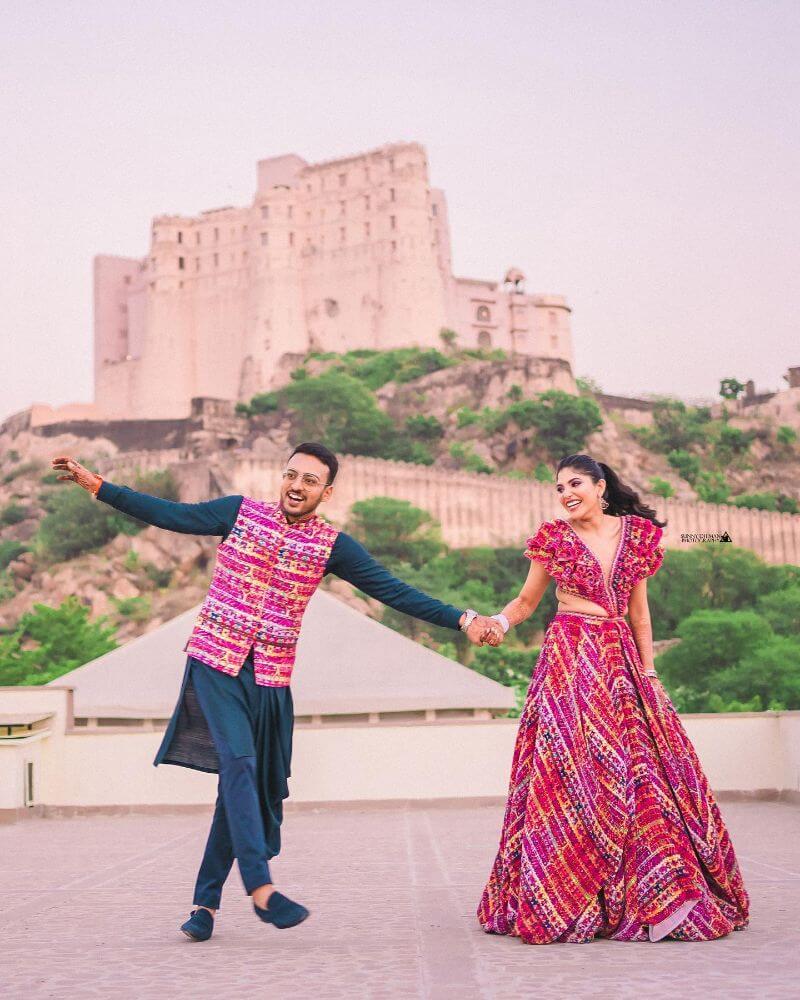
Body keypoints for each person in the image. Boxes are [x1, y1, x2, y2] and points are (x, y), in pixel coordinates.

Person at [52, 444, 500, 941]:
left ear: (325, 493)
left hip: (270, 678)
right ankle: (261, 889)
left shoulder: (333, 546)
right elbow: (169, 514)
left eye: (310, 481)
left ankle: (204, 904)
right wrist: (97, 484)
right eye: (292, 475)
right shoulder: (239, 512)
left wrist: (463, 619)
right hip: (215, 661)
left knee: (240, 786)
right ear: (280, 477)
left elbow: (395, 592)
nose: (297, 485)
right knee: (239, 764)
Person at [476, 453, 749, 944]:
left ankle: (660, 892)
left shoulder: (637, 536)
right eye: (559, 488)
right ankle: (565, 890)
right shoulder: (553, 539)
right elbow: (525, 603)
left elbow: (640, 614)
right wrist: (497, 622)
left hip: (621, 661)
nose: (565, 494)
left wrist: (649, 672)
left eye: (574, 483)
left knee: (643, 769)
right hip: (569, 660)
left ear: (601, 486)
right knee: (570, 769)